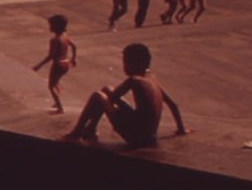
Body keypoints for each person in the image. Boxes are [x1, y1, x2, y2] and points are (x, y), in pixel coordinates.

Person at [61, 43, 189, 148]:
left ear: (135, 63)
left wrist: (107, 103)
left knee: (97, 96)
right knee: (106, 89)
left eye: (126, 62)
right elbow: (173, 104)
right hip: (149, 135)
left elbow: (110, 100)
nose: (124, 66)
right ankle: (90, 129)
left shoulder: (134, 80)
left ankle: (76, 133)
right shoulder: (151, 78)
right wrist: (181, 129)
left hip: (137, 137)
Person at [32, 14, 78, 114]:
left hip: (57, 65)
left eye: (51, 25)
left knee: (51, 86)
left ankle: (59, 107)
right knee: (56, 82)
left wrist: (38, 66)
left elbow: (50, 56)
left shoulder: (54, 40)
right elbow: (74, 46)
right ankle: (57, 102)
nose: (50, 27)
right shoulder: (65, 36)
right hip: (66, 64)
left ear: (56, 26)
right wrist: (73, 59)